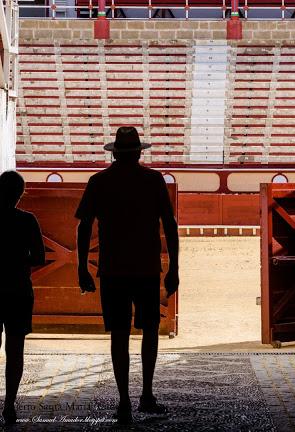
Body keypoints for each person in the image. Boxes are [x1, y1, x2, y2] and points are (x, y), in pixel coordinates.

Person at [75, 126, 179, 424]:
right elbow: (169, 226)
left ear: (115, 153)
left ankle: (123, 402)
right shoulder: (152, 180)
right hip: (146, 267)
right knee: (149, 330)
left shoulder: (99, 182)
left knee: (119, 334)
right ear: (138, 152)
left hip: (113, 269)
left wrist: (82, 266)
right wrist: (174, 268)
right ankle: (146, 394)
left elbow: (84, 226)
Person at [0, 170, 45, 425]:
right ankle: (9, 405)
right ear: (20, 194)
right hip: (18, 290)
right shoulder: (27, 220)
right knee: (15, 350)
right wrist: (19, 261)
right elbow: (39, 257)